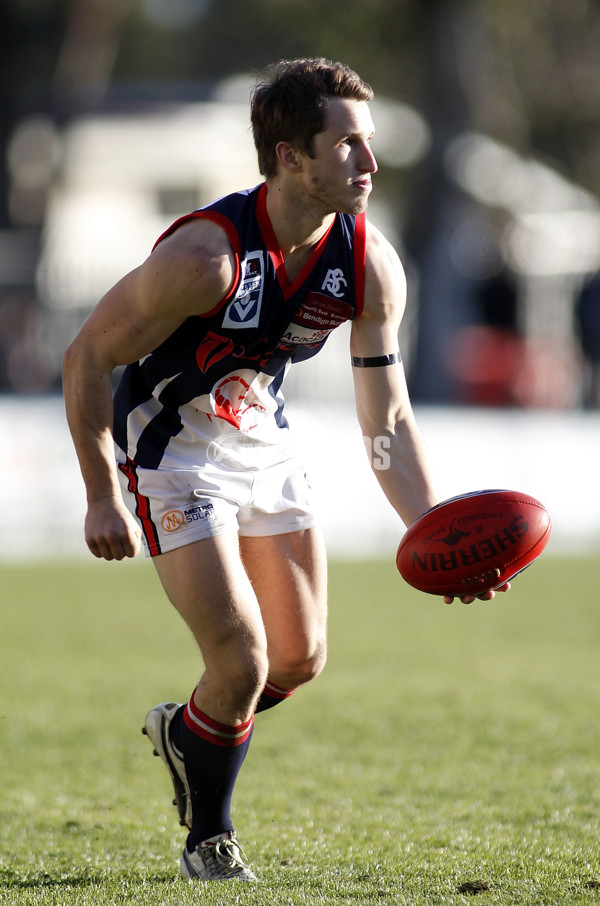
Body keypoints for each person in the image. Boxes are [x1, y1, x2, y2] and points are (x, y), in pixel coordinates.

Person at [63, 57, 508, 884]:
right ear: (289, 157)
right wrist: (100, 492)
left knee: (298, 659)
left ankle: (191, 733)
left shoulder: (370, 265)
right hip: (173, 450)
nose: (369, 163)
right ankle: (211, 839)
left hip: (262, 438)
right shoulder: (206, 258)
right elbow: (86, 355)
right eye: (347, 146)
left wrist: (436, 532)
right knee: (241, 660)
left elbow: (390, 416)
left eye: (369, 144)